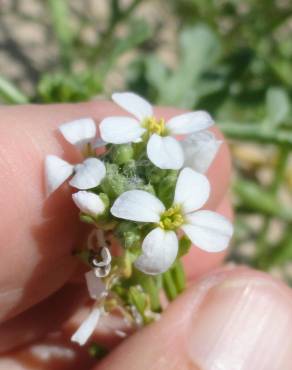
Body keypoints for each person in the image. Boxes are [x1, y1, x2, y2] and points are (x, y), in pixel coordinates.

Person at [0, 102, 291, 370]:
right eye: (169, 219)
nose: (171, 219)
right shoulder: (120, 171)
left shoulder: (178, 184)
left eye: (171, 219)